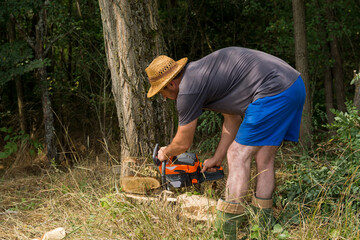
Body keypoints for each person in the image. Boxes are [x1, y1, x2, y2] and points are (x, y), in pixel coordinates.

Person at [145, 47, 306, 239]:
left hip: (274, 89)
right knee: (264, 157)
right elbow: (232, 120)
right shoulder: (204, 74)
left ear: (171, 84)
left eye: (161, 92)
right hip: (293, 84)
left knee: (238, 155)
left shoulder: (187, 91)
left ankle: (226, 232)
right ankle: (263, 226)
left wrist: (165, 153)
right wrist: (217, 158)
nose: (163, 97)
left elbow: (182, 143)